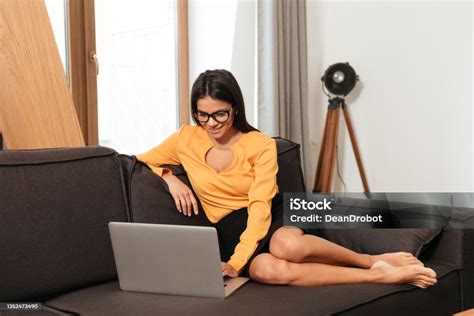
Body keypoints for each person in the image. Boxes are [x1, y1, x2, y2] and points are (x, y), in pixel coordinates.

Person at [138, 69, 437, 288]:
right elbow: (138, 160)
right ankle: (377, 275)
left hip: (271, 213)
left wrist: (237, 262)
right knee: (267, 270)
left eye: (220, 114)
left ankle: (370, 259)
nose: (211, 124)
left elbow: (259, 205)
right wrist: (169, 177)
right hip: (228, 228)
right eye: (202, 115)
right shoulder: (185, 139)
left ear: (235, 108)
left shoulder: (260, 145)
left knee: (286, 247)